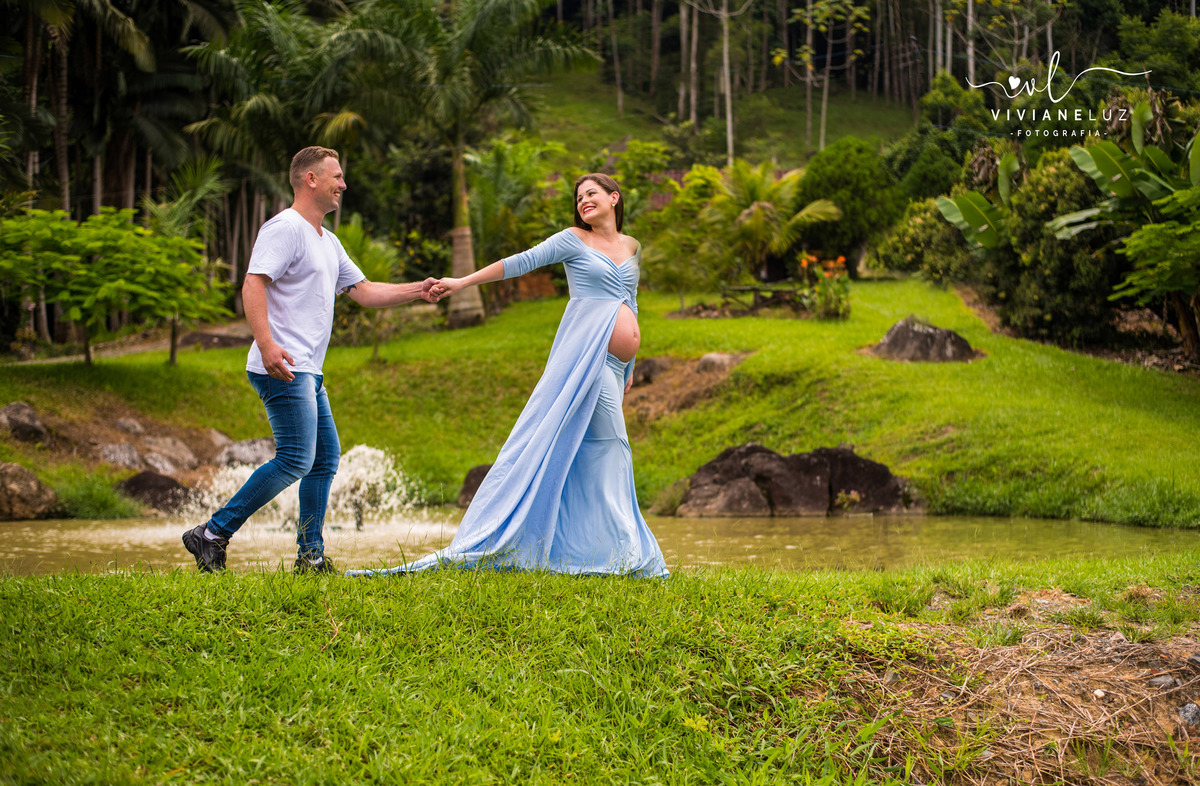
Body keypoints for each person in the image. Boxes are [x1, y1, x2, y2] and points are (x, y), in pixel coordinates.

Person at [349, 174, 668, 578]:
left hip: (615, 365)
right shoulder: (573, 239)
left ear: (614, 198)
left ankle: (591, 550)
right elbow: (520, 262)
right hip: (586, 359)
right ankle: (625, 554)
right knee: (613, 447)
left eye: (592, 194)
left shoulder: (631, 247)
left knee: (585, 454)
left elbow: (631, 301)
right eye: (579, 196)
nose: (584, 200)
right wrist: (462, 282)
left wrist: (630, 366)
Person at [183, 146, 438, 574]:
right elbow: (253, 284)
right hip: (283, 364)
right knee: (297, 458)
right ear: (310, 180)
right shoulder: (285, 228)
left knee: (323, 460)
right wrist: (266, 346)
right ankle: (211, 534)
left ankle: (310, 555)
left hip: (309, 371)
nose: (343, 184)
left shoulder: (328, 240)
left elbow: (365, 291)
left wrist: (420, 290)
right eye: (336, 176)